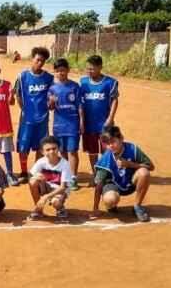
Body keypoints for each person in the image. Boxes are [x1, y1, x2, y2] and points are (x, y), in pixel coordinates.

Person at [92, 126, 154, 222]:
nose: (111, 146)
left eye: (113, 142)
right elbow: (99, 185)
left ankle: (137, 206)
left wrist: (130, 164)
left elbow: (150, 167)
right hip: (113, 185)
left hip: (131, 182)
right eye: (107, 144)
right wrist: (95, 208)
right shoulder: (105, 159)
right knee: (110, 199)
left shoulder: (132, 149)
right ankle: (111, 205)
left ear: (121, 138)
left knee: (144, 173)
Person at [14, 46, 54, 184]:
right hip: (27, 118)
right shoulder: (22, 76)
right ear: (32, 59)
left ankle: (36, 171)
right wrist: (24, 109)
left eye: (42, 61)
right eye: (37, 60)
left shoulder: (49, 78)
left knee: (41, 146)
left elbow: (52, 95)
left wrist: (51, 103)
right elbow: (18, 94)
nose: (40, 63)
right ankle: (24, 172)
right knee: (23, 146)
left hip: (43, 118)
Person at [79, 55, 119, 184]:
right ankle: (96, 175)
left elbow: (114, 100)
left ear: (100, 67)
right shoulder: (83, 82)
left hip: (104, 123)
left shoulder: (109, 82)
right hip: (89, 123)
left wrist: (110, 118)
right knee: (92, 151)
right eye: (88, 69)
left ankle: (106, 175)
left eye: (92, 69)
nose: (89, 71)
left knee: (107, 150)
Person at [48, 58, 84, 191]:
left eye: (63, 70)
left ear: (68, 70)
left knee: (72, 151)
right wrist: (51, 102)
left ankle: (74, 177)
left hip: (73, 124)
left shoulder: (75, 86)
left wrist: (81, 122)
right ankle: (66, 176)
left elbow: (80, 106)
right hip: (58, 125)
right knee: (62, 151)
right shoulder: (52, 88)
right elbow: (51, 108)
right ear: (55, 72)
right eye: (57, 71)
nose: (60, 73)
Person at [27, 136, 72, 220]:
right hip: (46, 186)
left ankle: (60, 209)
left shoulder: (65, 164)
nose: (51, 151)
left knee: (56, 202)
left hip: (60, 190)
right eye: (48, 150)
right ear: (42, 152)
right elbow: (30, 177)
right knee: (33, 181)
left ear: (59, 149)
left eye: (54, 148)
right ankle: (39, 210)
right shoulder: (41, 161)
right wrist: (37, 177)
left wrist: (46, 197)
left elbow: (63, 187)